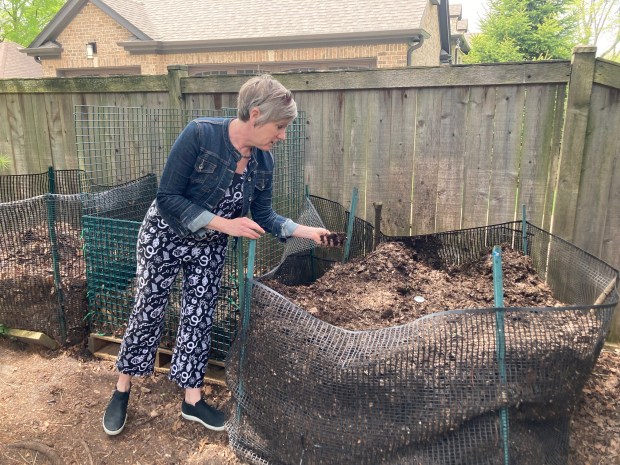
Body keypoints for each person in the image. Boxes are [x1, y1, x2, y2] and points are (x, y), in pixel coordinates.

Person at [102, 74, 330, 436]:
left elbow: (265, 216)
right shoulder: (200, 134)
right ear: (255, 115)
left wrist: (307, 231)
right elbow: (168, 197)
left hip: (208, 248)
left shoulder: (264, 163)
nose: (282, 135)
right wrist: (225, 224)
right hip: (166, 234)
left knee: (199, 316)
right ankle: (121, 390)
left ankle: (192, 400)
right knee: (148, 308)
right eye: (280, 126)